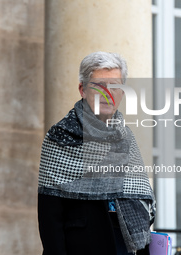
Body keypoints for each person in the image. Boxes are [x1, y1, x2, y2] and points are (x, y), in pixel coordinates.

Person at [37, 52, 156, 255]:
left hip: (126, 248)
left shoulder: (127, 137)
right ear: (83, 90)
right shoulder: (60, 136)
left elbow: (141, 205)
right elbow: (50, 217)